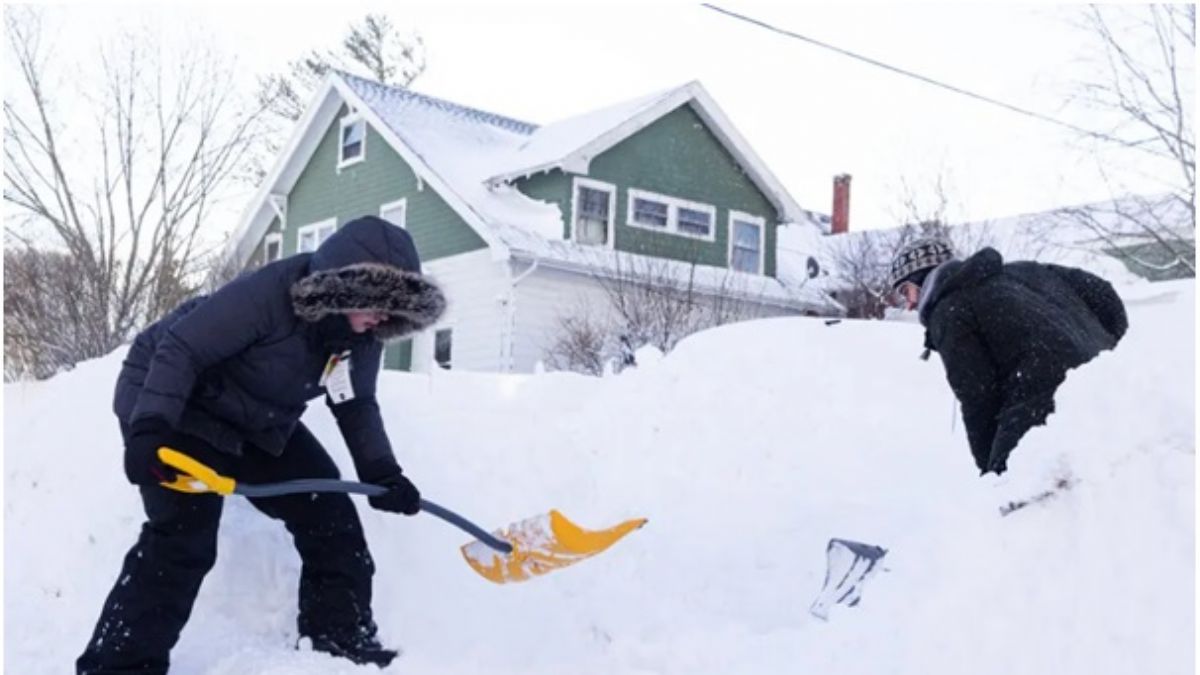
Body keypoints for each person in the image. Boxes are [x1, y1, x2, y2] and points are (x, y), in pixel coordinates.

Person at [77, 215, 447, 673]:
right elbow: (181, 349)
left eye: (394, 310)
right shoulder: (269, 295)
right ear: (343, 289)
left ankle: (338, 636)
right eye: (376, 303)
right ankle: (116, 666)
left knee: (327, 508)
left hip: (256, 418)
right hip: (177, 401)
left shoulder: (359, 337)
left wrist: (383, 473)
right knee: (183, 537)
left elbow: (355, 404)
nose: (383, 318)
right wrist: (149, 427)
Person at [889, 237, 1128, 476]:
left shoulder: (947, 310)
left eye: (905, 291)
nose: (908, 305)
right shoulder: (1023, 271)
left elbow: (978, 396)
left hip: (1043, 410)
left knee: (1022, 498)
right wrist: (1105, 346)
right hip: (1112, 390)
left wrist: (991, 470)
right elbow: (1101, 292)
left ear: (922, 279)